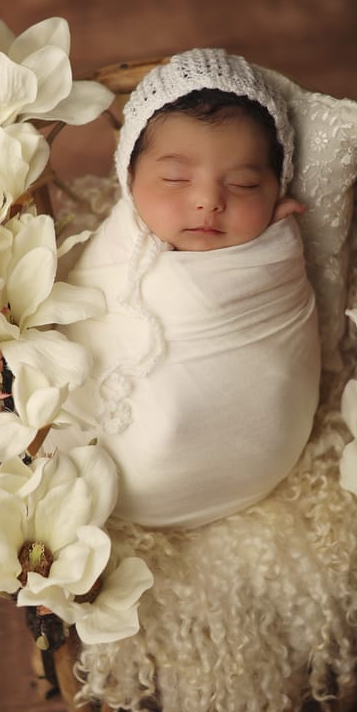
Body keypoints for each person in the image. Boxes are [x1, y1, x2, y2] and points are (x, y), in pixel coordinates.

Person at [50, 49, 321, 528]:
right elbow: (84, 307)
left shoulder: (275, 248)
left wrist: (271, 246)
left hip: (253, 461)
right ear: (128, 179)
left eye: (242, 185)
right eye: (175, 179)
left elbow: (280, 363)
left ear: (278, 189)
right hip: (117, 469)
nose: (207, 202)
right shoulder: (118, 241)